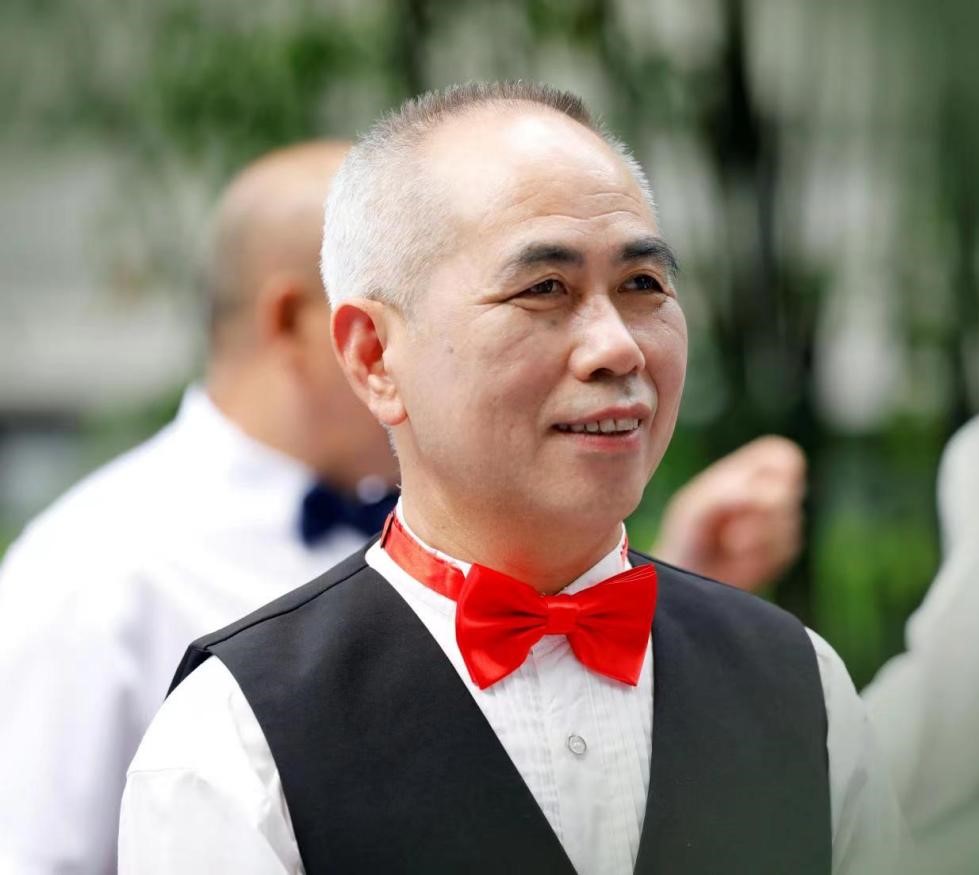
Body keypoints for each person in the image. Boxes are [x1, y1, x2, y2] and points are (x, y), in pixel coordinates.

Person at [118, 81, 904, 874]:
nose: (618, 347)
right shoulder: (235, 743)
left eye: (642, 284)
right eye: (543, 289)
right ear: (374, 356)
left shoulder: (801, 686)